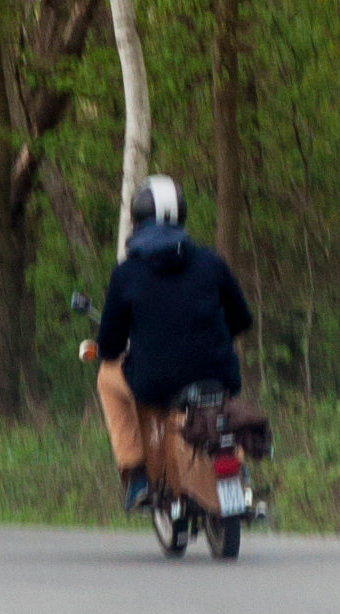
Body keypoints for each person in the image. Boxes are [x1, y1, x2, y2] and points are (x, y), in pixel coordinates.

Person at [92, 175, 255, 514]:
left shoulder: (127, 274)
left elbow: (109, 345)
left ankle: (136, 473)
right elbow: (242, 320)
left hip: (155, 385)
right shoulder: (212, 263)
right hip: (217, 378)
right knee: (222, 412)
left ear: (138, 219)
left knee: (107, 377)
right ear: (181, 217)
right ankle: (240, 475)